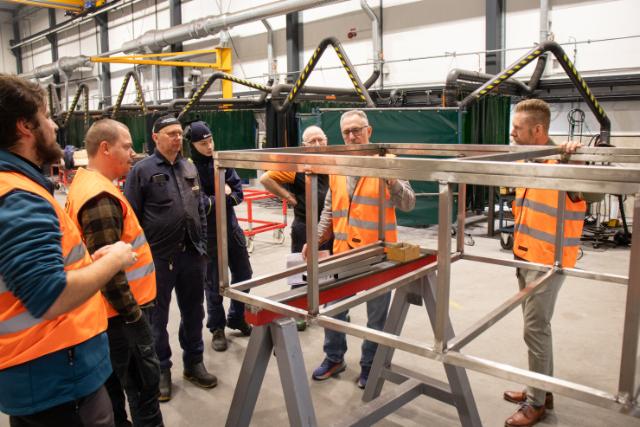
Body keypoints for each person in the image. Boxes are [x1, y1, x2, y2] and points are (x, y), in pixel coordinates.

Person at [0, 74, 136, 426]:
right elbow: (50, 295)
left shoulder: (16, 186)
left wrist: (91, 263)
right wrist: (114, 260)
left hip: (37, 374)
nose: (54, 126)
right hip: (58, 376)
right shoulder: (19, 198)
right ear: (25, 126)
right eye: (46, 117)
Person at [303, 110, 416, 389]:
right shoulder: (339, 165)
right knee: (333, 308)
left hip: (378, 256)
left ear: (369, 131)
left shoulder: (389, 162)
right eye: (346, 132)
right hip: (344, 253)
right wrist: (315, 239)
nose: (352, 136)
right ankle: (334, 358)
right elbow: (331, 209)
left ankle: (370, 365)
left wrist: (391, 181)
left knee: (376, 317)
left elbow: (408, 203)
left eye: (357, 130)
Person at [65, 119, 163, 427]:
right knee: (144, 392)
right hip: (121, 318)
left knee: (115, 395)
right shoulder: (101, 198)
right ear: (105, 148)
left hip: (108, 316)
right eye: (127, 146)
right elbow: (110, 273)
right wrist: (136, 319)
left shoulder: (86, 184)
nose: (133, 153)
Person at [503, 99, 593, 427]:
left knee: (535, 331)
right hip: (526, 255)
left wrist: (578, 158)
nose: (512, 134)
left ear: (538, 130)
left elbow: (594, 192)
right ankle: (541, 389)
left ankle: (536, 403)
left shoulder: (565, 163)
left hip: (547, 263)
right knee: (537, 330)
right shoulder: (530, 159)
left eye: (517, 129)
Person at [124, 114, 217, 403]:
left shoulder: (189, 166)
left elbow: (200, 207)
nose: (177, 138)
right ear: (156, 137)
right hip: (159, 258)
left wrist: (202, 243)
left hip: (192, 254)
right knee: (157, 318)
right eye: (170, 133)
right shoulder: (141, 171)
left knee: (194, 311)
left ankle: (194, 363)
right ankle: (162, 370)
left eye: (179, 133)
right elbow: (131, 217)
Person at [186, 121, 253, 352]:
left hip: (232, 229)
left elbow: (238, 194)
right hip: (209, 235)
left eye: (211, 141)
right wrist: (222, 197)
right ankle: (217, 327)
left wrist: (218, 199)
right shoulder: (189, 170)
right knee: (213, 283)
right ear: (193, 145)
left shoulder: (221, 162)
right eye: (203, 143)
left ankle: (237, 316)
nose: (209, 146)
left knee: (244, 274)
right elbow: (199, 205)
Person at [260, 125, 332, 331]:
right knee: (301, 270)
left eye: (321, 139)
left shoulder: (332, 163)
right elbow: (266, 178)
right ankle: (298, 311)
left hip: (329, 226)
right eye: (312, 141)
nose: (317, 144)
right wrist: (287, 196)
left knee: (330, 267)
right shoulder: (297, 165)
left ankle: (330, 306)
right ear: (304, 145)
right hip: (304, 225)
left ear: (327, 141)